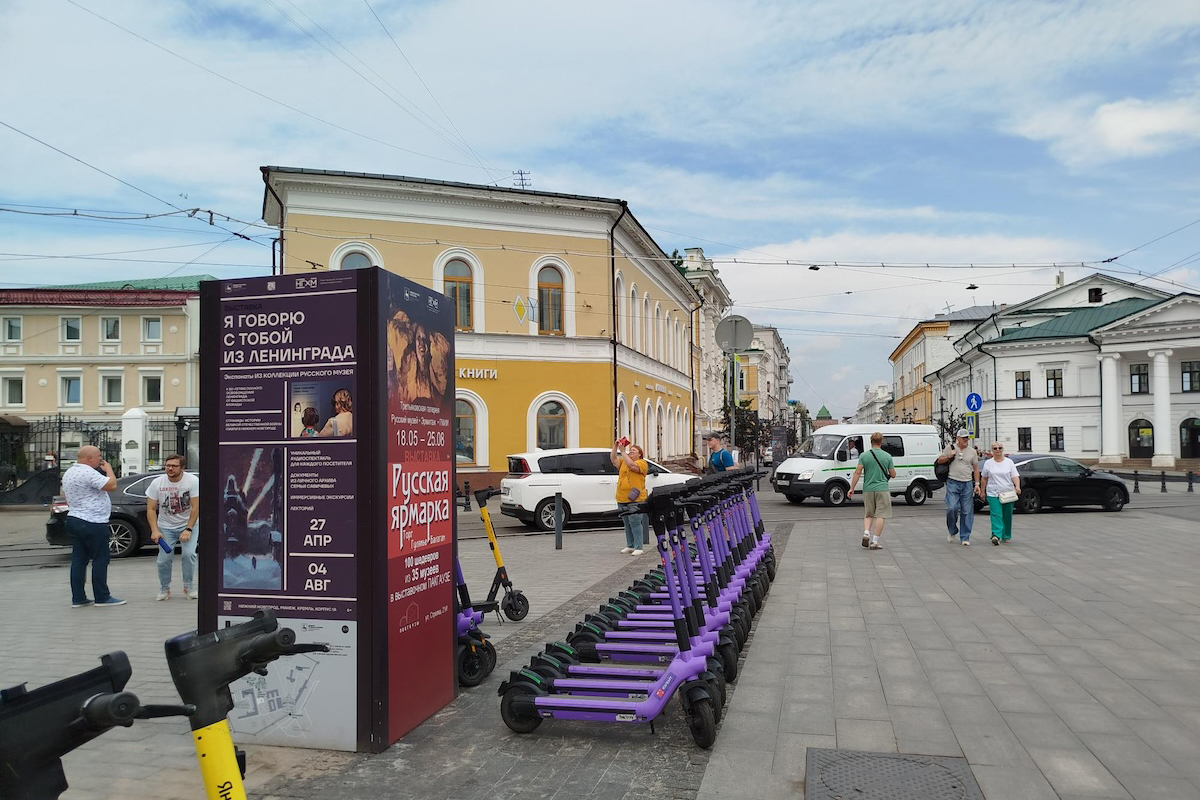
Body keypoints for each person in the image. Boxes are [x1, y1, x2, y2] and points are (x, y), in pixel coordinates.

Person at [61, 445, 124, 607]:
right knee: (100, 558)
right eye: (99, 456)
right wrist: (109, 469)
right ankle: (102, 597)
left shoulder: (70, 472)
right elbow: (111, 486)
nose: (101, 460)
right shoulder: (87, 472)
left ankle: (78, 598)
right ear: (89, 458)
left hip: (75, 518)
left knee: (79, 560)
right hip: (93, 521)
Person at [147, 454, 200, 600]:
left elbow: (196, 507)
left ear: (182, 468)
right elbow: (151, 509)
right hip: (165, 526)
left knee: (189, 555)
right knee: (163, 559)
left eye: (174, 466)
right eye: (168, 465)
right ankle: (164, 589)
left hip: (188, 524)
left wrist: (188, 528)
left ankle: (188, 587)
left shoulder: (192, 481)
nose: (170, 468)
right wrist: (154, 530)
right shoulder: (157, 483)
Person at [847, 432, 897, 550]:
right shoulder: (887, 456)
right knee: (881, 515)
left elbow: (858, 472)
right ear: (881, 442)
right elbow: (893, 474)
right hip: (882, 489)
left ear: (871, 441)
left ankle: (866, 533)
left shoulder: (864, 456)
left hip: (868, 489)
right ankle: (875, 541)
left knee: (868, 514)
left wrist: (852, 488)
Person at [937, 429, 981, 545]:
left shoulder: (972, 452)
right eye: (963, 438)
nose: (966, 440)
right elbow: (939, 460)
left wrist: (977, 484)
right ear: (958, 438)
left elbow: (976, 468)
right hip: (953, 481)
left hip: (967, 483)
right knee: (952, 508)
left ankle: (965, 537)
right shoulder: (950, 447)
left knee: (967, 511)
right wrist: (949, 456)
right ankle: (952, 530)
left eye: (967, 438)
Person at [612, 439, 649, 556]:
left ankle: (639, 546)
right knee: (626, 522)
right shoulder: (623, 462)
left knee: (635, 521)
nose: (631, 452)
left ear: (640, 454)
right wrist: (615, 447)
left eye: (634, 451)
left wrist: (623, 452)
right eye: (630, 450)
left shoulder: (642, 463)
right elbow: (613, 460)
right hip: (622, 497)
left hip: (635, 498)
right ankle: (630, 545)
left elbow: (632, 466)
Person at [980, 442, 1021, 545]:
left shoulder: (1009, 462)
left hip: (1007, 492)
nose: (997, 450)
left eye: (1000, 448)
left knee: (1007, 515)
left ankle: (1006, 535)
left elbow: (1015, 476)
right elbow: (984, 478)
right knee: (996, 514)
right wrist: (982, 491)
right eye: (995, 448)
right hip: (993, 493)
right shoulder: (988, 463)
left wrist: (1017, 487)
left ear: (1003, 449)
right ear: (992, 450)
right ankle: (996, 535)